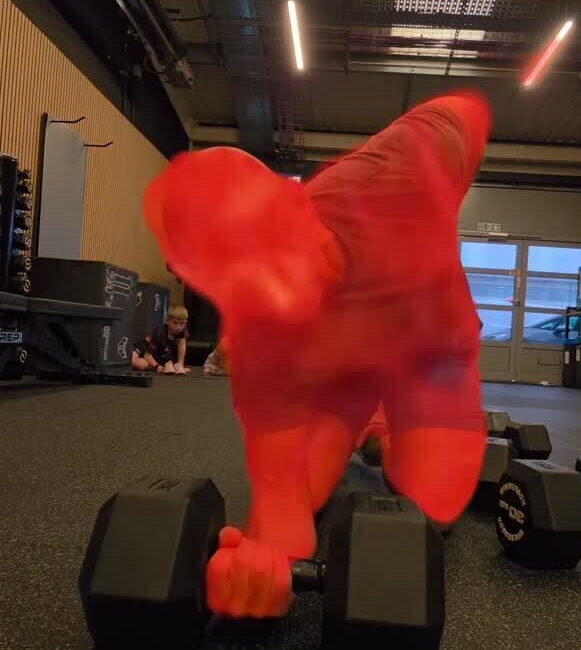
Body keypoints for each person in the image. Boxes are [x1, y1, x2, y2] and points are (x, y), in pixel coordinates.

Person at [144, 90, 491, 618]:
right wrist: (265, 562)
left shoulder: (409, 166)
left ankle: (382, 421)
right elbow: (284, 494)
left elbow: (463, 115)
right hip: (341, 367)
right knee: (313, 478)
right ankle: (363, 417)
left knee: (432, 502)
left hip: (426, 336)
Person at [131, 304, 191, 374]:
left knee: (146, 364)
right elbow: (147, 354)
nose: (178, 327)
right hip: (143, 350)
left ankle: (150, 365)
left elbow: (182, 346)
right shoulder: (160, 332)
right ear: (167, 321)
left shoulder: (182, 331)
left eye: (182, 324)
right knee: (141, 365)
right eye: (175, 323)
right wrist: (158, 367)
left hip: (157, 355)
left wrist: (180, 364)